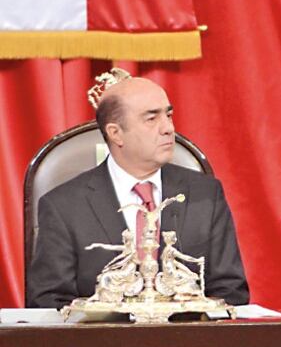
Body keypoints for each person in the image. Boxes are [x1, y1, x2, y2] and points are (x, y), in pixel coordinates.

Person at [27, 77, 249, 307]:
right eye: (152, 118)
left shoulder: (205, 194)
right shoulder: (63, 206)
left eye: (169, 115)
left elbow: (231, 292)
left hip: (188, 339)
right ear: (116, 133)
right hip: (101, 340)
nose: (168, 128)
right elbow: (48, 302)